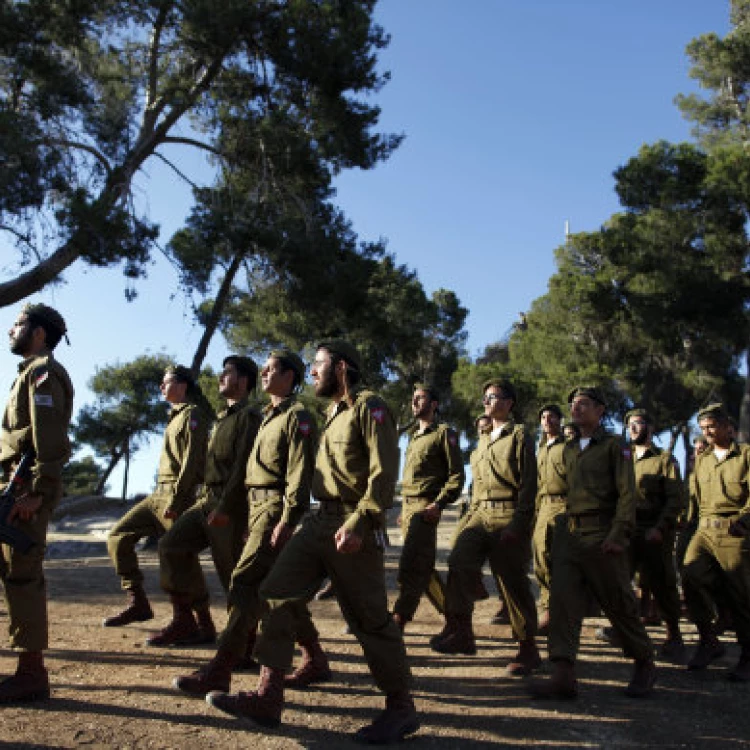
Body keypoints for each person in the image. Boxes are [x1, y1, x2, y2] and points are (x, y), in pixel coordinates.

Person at [206, 340, 419, 745]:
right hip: (320, 521)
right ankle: (269, 696)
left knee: (370, 620)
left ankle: (401, 708)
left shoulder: (370, 407)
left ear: (340, 367)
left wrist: (360, 521)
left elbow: (383, 473)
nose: (313, 371)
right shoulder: (331, 414)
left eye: (317, 364)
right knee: (274, 592)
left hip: (354, 523)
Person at [173, 350, 326, 696]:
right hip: (256, 511)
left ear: (289, 377)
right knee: (275, 591)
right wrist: (248, 517)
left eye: (271, 369)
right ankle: (315, 657)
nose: (264, 373)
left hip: (274, 509)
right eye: (264, 368)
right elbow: (249, 473)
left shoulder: (297, 415)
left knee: (244, 583)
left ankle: (222, 668)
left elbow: (299, 475)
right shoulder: (269, 416)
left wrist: (287, 519)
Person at [531, 387, 656, 700]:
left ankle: (644, 662)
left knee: (618, 603)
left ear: (601, 411)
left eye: (584, 404)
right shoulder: (569, 448)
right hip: (569, 534)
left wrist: (618, 534)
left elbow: (627, 494)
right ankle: (562, 673)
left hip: (602, 534)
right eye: (573, 404)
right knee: (562, 603)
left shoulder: (616, 446)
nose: (576, 408)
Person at [147, 356, 261, 646]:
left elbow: (242, 467)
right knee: (171, 546)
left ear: (244, 381)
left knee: (234, 578)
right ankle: (184, 621)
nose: (221, 377)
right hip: (205, 500)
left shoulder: (249, 417)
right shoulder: (223, 417)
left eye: (228, 373)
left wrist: (225, 507)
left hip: (230, 505)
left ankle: (245, 643)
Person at [432, 379, 540, 677]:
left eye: (493, 397)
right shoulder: (482, 440)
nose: (486, 402)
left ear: (509, 403)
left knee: (512, 581)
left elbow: (530, 484)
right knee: (458, 561)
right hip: (479, 513)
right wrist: (465, 521)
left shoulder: (519, 436)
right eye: (485, 398)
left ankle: (528, 647)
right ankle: (462, 632)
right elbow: (475, 487)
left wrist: (519, 524)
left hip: (508, 512)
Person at [0, 303, 73, 702]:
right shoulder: (27, 374)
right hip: (12, 483)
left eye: (17, 325)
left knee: (22, 575)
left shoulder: (44, 375)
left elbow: (49, 441)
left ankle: (31, 672)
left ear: (39, 333)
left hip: (23, 489)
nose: (10, 331)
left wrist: (37, 493)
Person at [103, 365, 210, 630]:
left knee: (179, 556)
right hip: (157, 493)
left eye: (166, 382)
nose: (161, 387)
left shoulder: (192, 415)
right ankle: (137, 601)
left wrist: (177, 499)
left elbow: (191, 461)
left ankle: (199, 621)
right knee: (118, 535)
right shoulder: (173, 416)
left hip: (177, 494)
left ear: (183, 385)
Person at [682, 403, 750, 681]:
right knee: (690, 576)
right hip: (704, 530)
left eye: (712, 426)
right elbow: (694, 498)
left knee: (741, 593)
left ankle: (748, 655)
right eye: (704, 428)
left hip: (734, 530)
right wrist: (685, 525)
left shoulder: (745, 456)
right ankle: (708, 640)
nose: (707, 432)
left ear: (727, 426)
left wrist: (745, 520)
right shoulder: (703, 459)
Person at [392, 384, 464, 632]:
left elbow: (456, 476)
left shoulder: (444, 433)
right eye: (413, 398)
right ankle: (455, 619)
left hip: (426, 507)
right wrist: (404, 509)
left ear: (434, 404)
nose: (414, 402)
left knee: (411, 566)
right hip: (410, 507)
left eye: (420, 398)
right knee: (423, 567)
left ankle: (399, 618)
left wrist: (439, 504)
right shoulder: (413, 437)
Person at [624, 409, 685, 661]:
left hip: (653, 529)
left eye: (638, 424)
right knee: (620, 582)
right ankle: (628, 633)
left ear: (650, 428)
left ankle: (674, 635)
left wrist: (660, 528)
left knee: (662, 583)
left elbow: (675, 499)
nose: (634, 429)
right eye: (630, 425)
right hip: (626, 528)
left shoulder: (664, 459)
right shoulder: (621, 457)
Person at [532, 404, 566, 634]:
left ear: (560, 421)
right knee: (540, 561)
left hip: (564, 507)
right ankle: (548, 609)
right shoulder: (541, 450)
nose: (547, 420)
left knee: (561, 564)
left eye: (552, 417)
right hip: (543, 508)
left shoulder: (569, 448)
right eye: (543, 417)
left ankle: (559, 612)